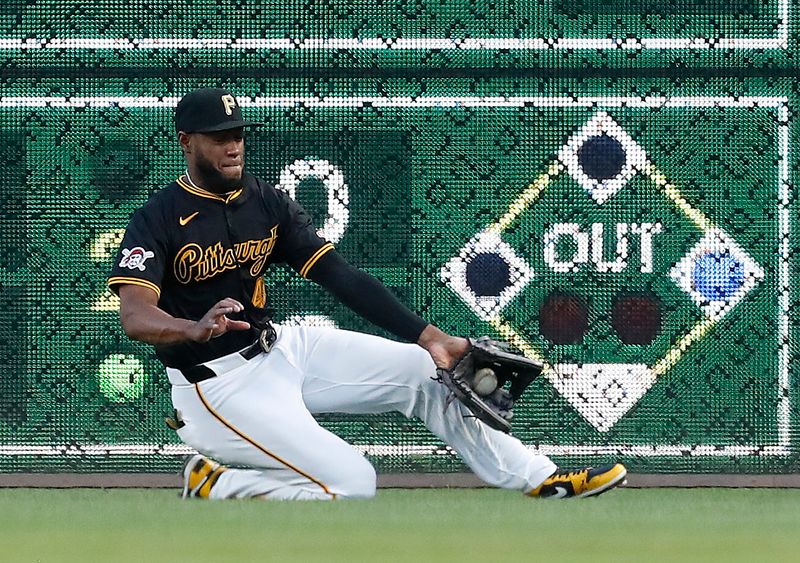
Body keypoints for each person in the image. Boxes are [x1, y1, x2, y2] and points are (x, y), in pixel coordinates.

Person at [108, 87, 627, 500]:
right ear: (186, 141)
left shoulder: (265, 202)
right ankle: (220, 483)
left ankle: (541, 477)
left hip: (281, 350)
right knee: (354, 483)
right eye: (218, 135)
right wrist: (192, 328)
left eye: (238, 132)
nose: (233, 144)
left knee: (429, 371)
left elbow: (341, 276)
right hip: (217, 388)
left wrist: (432, 338)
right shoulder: (157, 218)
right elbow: (135, 314)